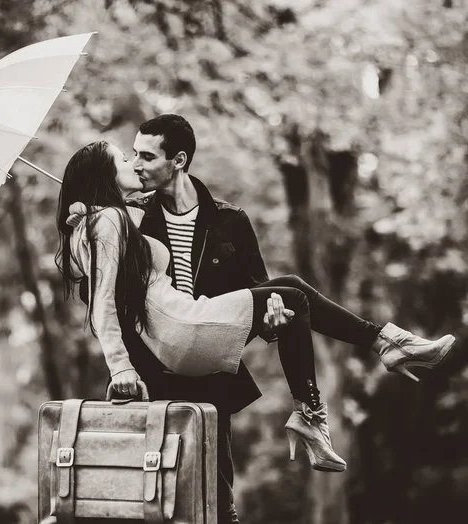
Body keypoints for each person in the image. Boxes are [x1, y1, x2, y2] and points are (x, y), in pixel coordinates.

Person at [55, 129, 456, 511]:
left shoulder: (125, 219)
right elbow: (101, 302)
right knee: (294, 295)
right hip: (178, 336)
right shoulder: (107, 222)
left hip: (185, 334)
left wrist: (87, 216)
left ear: (178, 161)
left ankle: (379, 348)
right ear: (106, 175)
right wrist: (120, 367)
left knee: (290, 291)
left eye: (143, 155)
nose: (133, 162)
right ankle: (329, 395)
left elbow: (253, 286)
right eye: (125, 158)